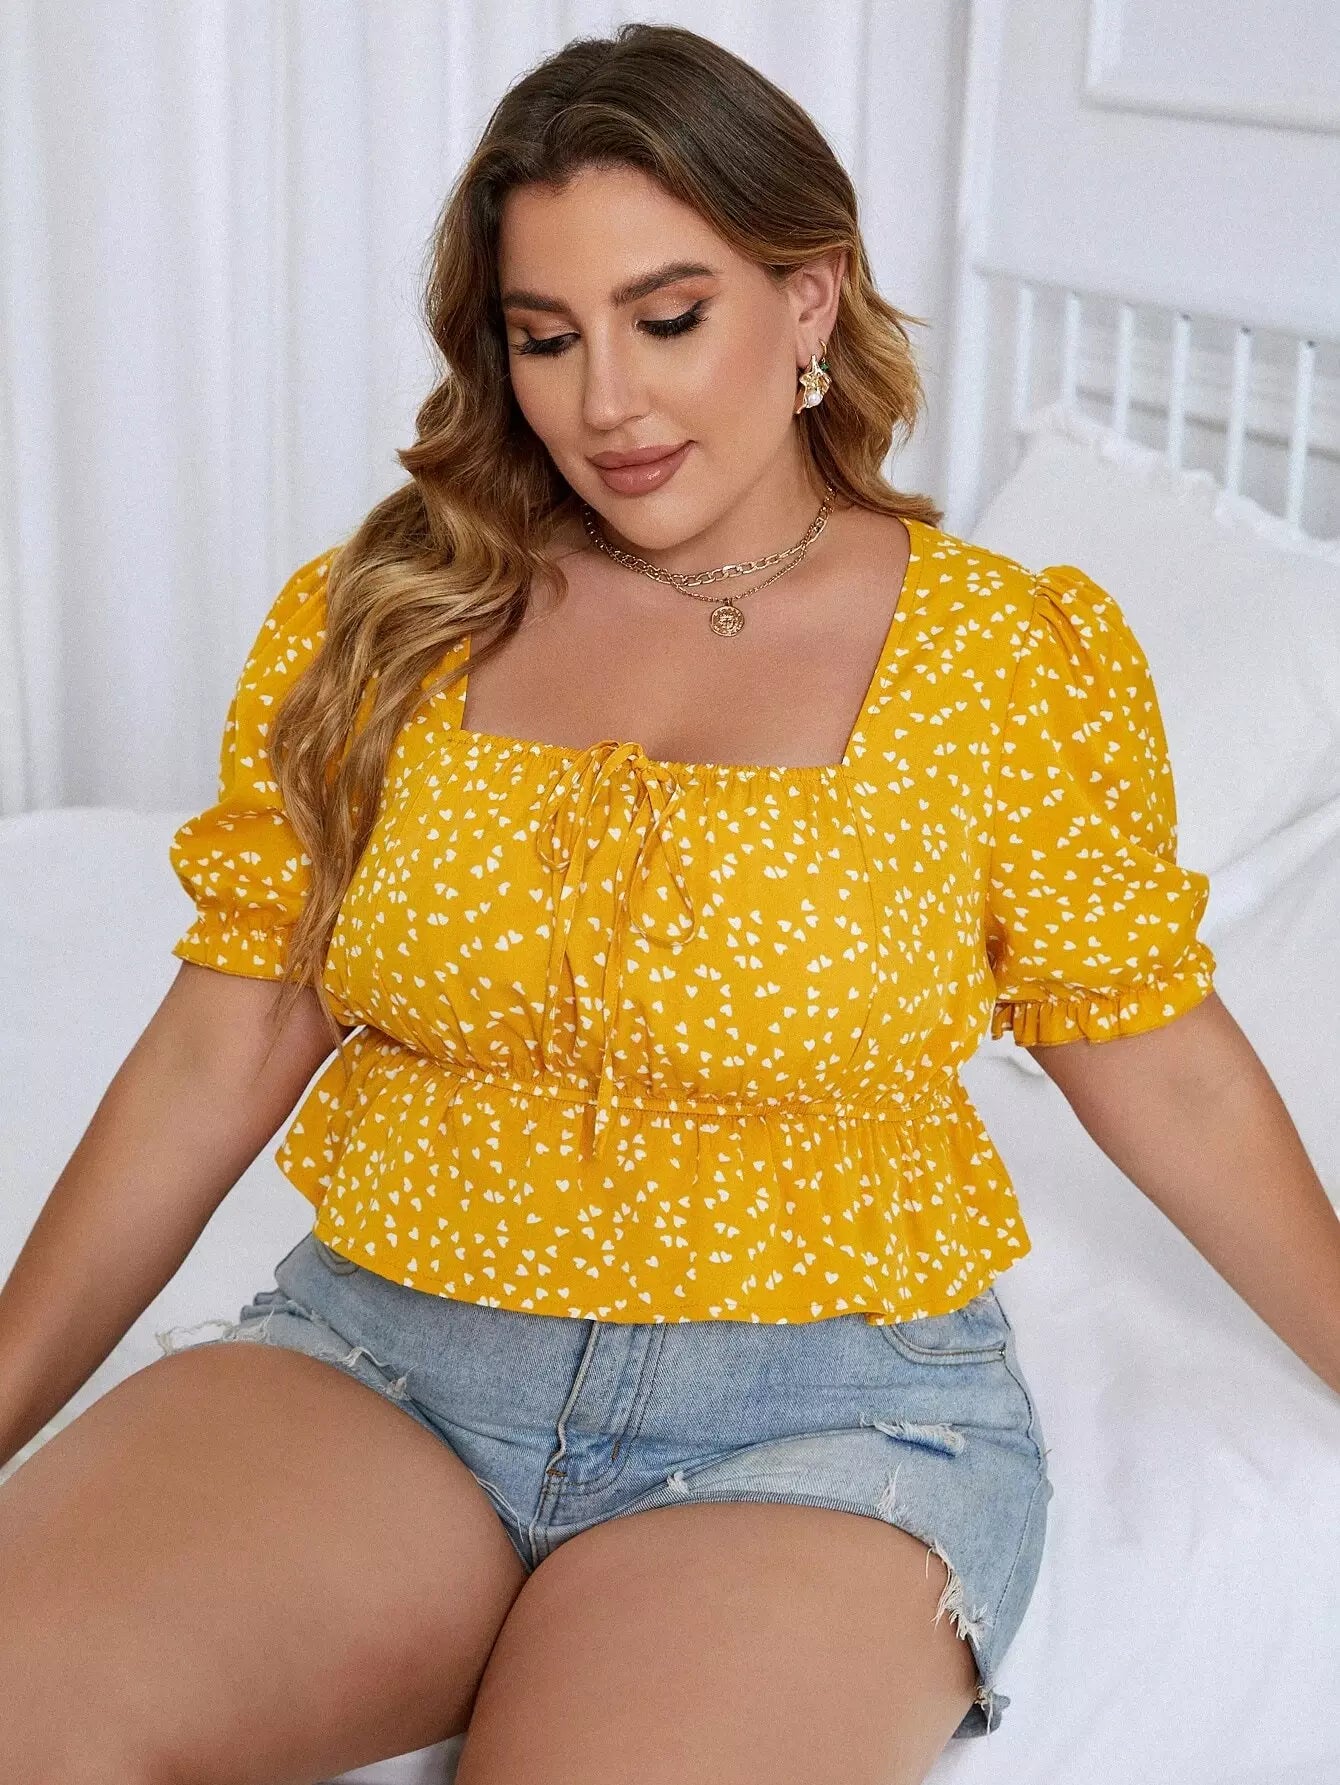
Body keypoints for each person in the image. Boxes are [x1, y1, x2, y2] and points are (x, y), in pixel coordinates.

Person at [3, 21, 1336, 1784]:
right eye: (546, 337)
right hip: (387, 1354)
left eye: (669, 316)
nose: (606, 403)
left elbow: (1165, 1066)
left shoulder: (998, 656)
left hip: (821, 1418)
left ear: (808, 299)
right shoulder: (393, 616)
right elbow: (219, 1046)